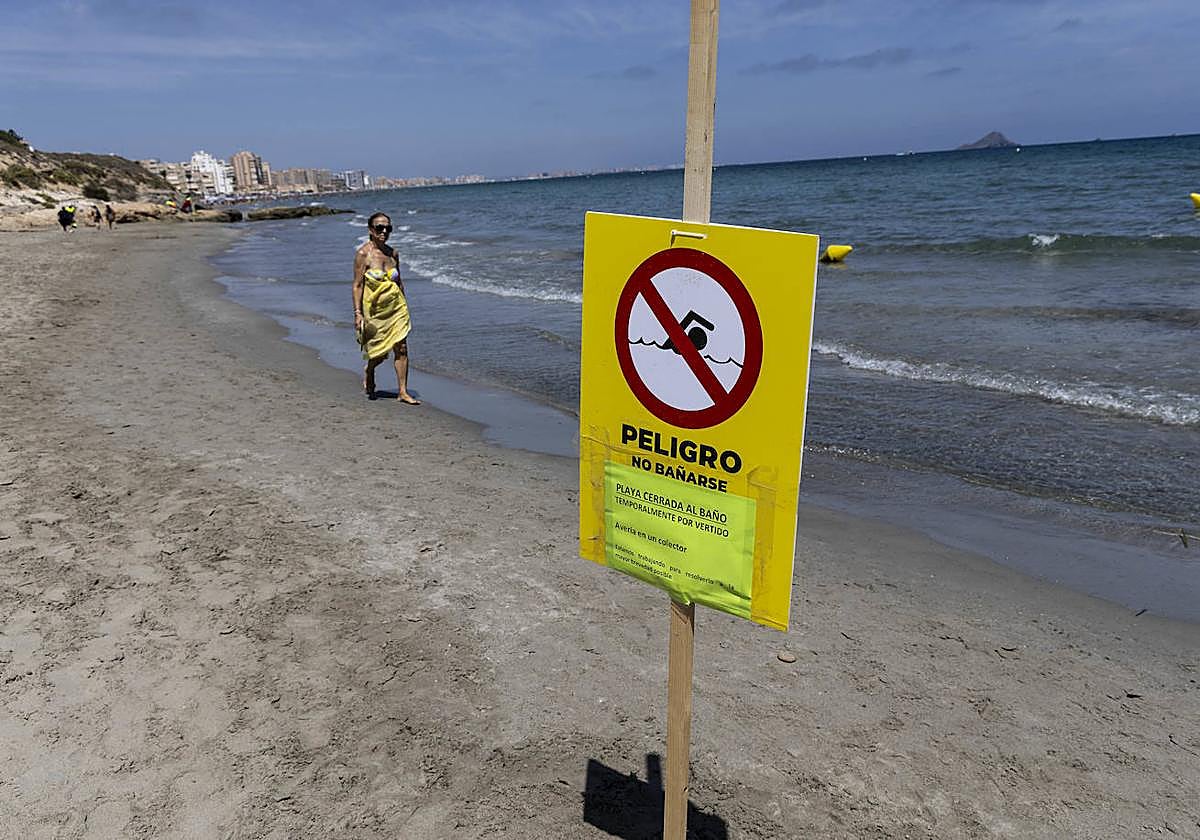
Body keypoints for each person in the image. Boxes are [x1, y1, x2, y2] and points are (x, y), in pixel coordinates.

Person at [352, 212, 420, 404]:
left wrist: (405, 305)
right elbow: (357, 285)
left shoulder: (393, 254)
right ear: (370, 230)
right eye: (379, 228)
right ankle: (370, 370)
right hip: (374, 311)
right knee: (379, 353)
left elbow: (400, 282)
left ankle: (403, 391)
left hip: (396, 308)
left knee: (402, 348)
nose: (384, 232)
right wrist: (358, 314)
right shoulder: (363, 254)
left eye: (388, 228)